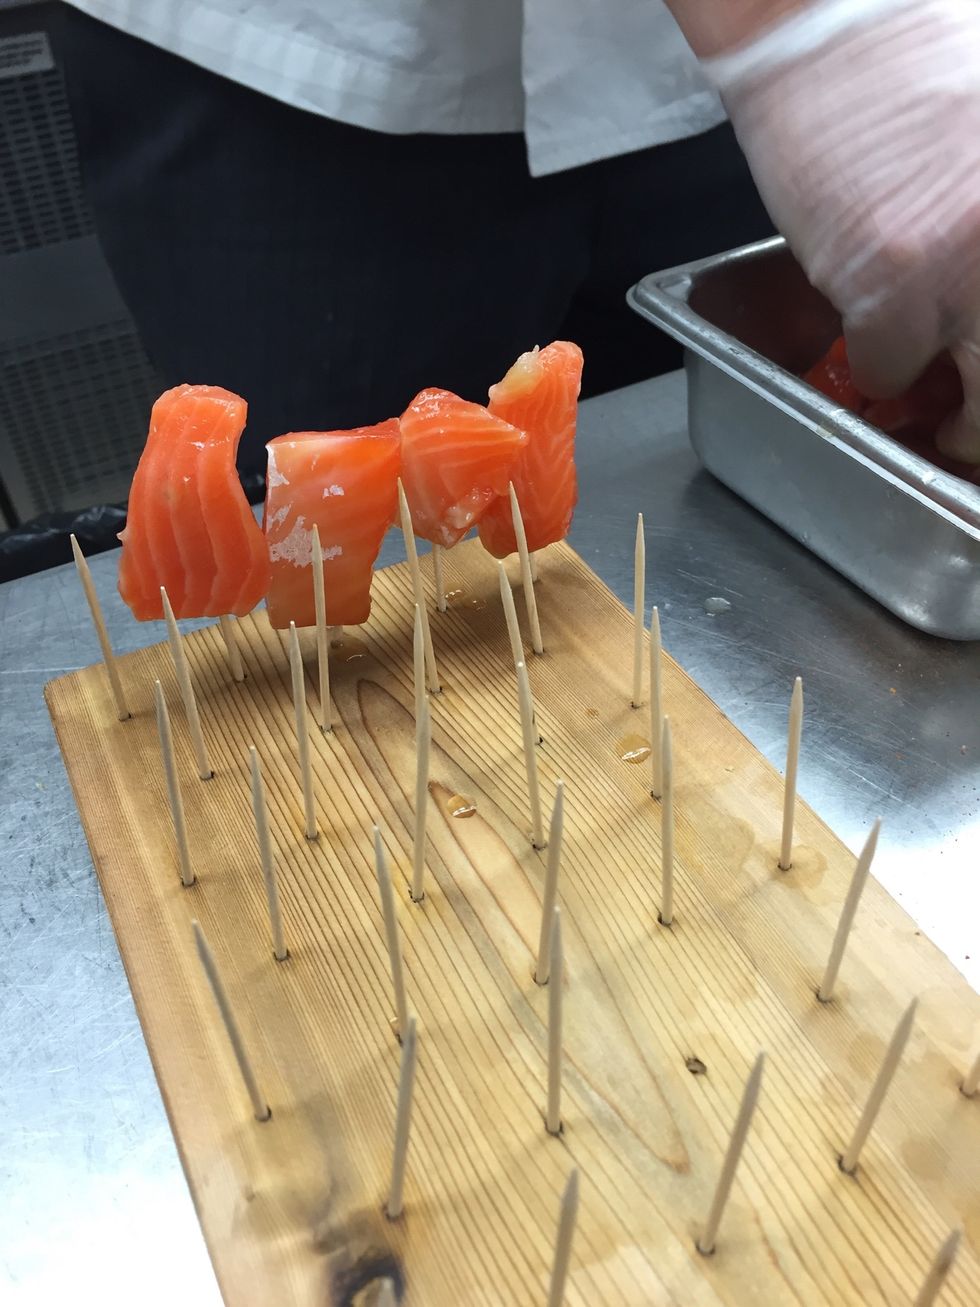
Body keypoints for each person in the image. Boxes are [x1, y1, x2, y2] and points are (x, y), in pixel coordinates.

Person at [54, 0, 980, 472]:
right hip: (302, 70)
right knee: (361, 579)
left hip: (706, 80)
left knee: (718, 518)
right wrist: (794, 25)